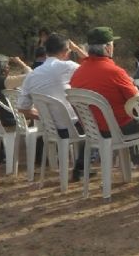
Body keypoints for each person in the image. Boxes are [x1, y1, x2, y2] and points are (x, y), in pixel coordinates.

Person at [17, 33, 88, 179]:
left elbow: (22, 108)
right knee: (99, 124)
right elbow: (92, 68)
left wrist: (45, 117)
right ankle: (82, 167)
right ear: (65, 52)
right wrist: (79, 51)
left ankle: (81, 166)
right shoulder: (68, 66)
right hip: (72, 128)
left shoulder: (32, 75)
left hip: (49, 129)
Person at [70, 27, 139, 138]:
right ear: (107, 48)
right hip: (119, 129)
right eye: (113, 45)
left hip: (93, 131)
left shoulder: (77, 74)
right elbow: (138, 103)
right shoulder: (115, 72)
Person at [0, 54, 32, 127]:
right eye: (7, 65)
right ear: (1, 68)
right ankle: (33, 137)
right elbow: (31, 75)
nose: (9, 67)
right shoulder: (3, 81)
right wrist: (20, 62)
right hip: (10, 121)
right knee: (37, 113)